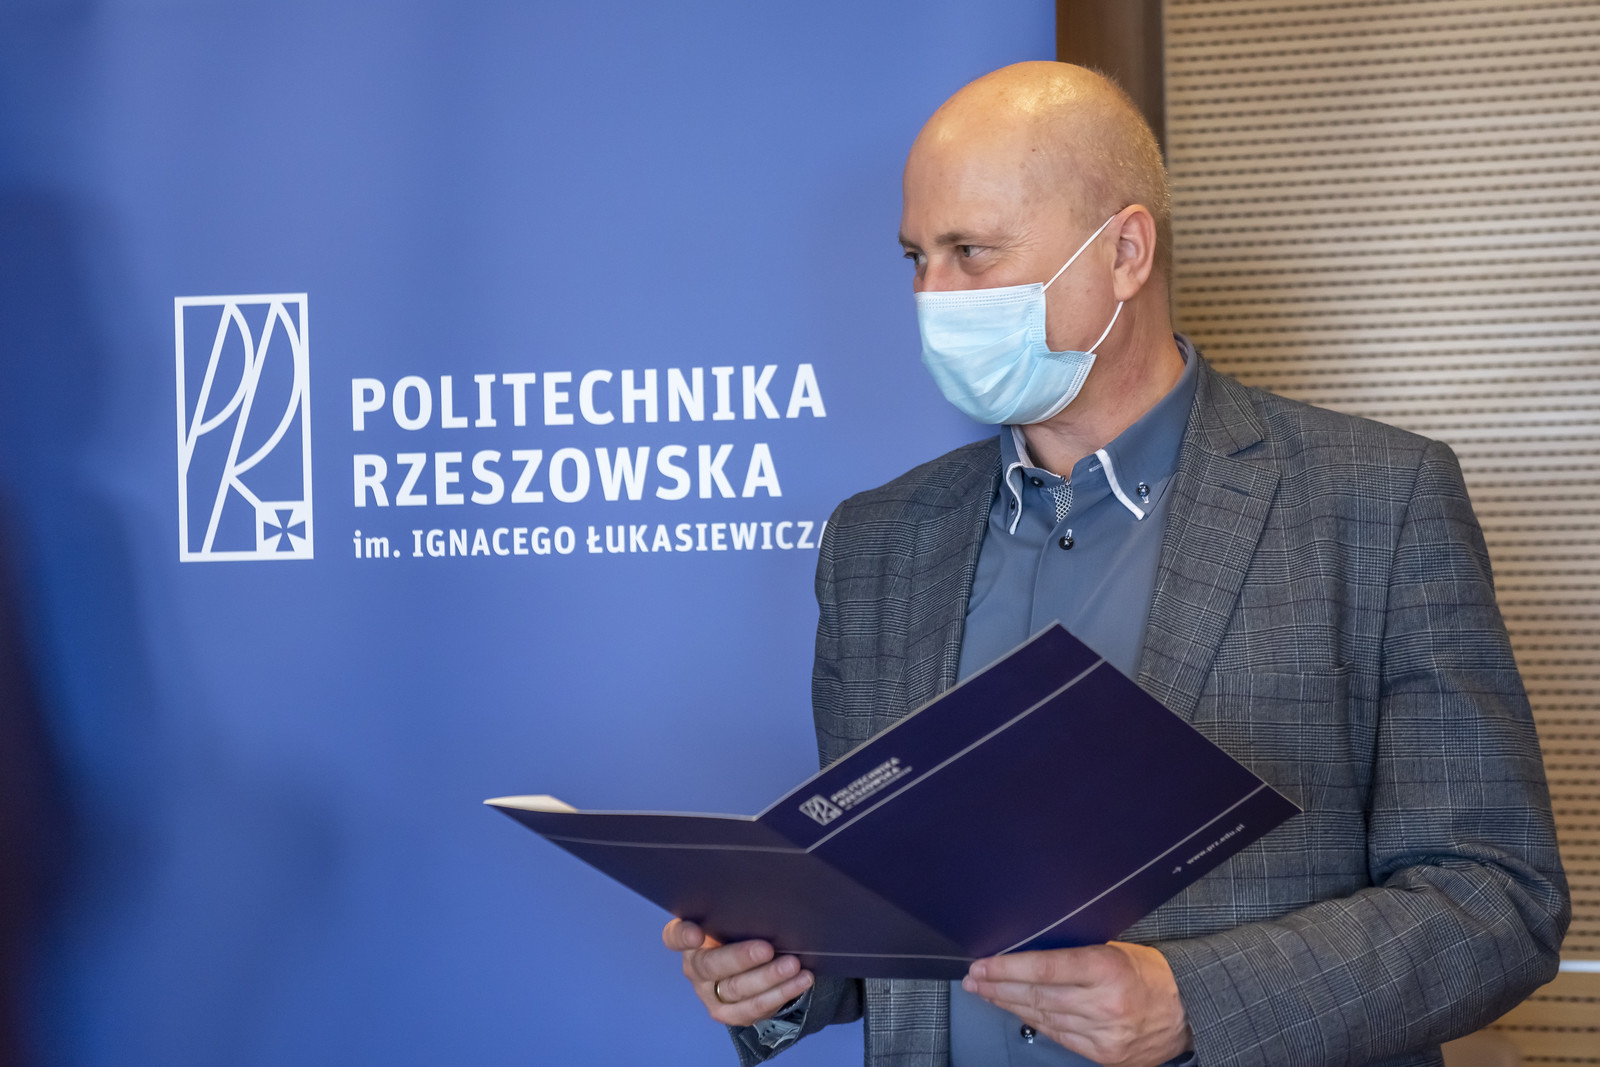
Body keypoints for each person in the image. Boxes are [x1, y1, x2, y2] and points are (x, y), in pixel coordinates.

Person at [663, 61, 1570, 1067]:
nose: (932, 295)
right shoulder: (876, 542)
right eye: (916, 257)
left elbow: (1496, 898)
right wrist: (776, 974)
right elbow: (882, 901)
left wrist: (1194, 1002)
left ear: (1125, 251)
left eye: (971, 252)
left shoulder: (1375, 502)